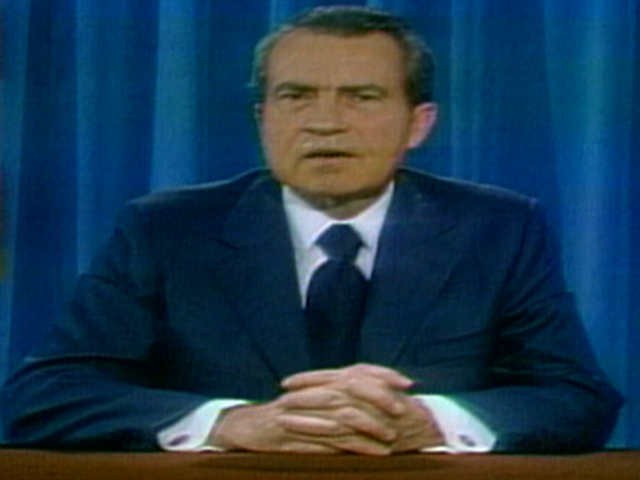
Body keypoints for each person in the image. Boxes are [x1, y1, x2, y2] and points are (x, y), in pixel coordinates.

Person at [0, 6, 621, 454]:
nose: (325, 122)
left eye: (362, 97)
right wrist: (232, 424)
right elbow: (45, 395)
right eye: (296, 97)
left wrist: (429, 420)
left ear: (419, 123)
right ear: (262, 118)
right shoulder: (166, 230)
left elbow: (575, 397)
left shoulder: (497, 228)